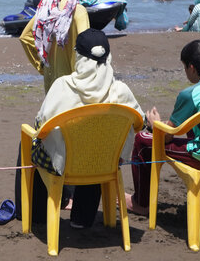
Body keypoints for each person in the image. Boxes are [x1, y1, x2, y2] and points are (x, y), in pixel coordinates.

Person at [18, 29, 143, 228]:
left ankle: (36, 215)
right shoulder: (120, 90)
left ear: (78, 56)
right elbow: (139, 123)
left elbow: (41, 126)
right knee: (98, 144)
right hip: (106, 163)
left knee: (32, 142)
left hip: (64, 165)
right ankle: (82, 218)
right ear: (108, 57)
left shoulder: (63, 86)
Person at [126, 39, 200, 216]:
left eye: (185, 67)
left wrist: (154, 125)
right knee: (194, 130)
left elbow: (167, 138)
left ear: (191, 68)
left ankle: (141, 202)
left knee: (143, 140)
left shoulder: (190, 94)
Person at [21, 0, 91, 93]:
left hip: (51, 89)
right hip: (72, 90)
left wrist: (43, 66)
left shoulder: (47, 5)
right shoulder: (78, 11)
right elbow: (86, 52)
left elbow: (25, 37)